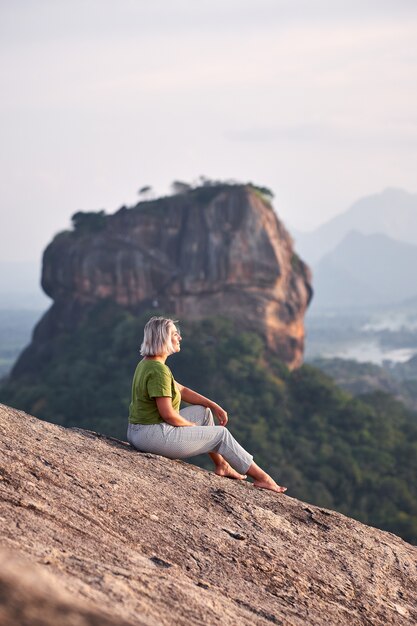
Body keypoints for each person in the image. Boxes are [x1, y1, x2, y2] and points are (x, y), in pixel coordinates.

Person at [127, 316, 287, 493]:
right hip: (151, 435)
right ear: (163, 338)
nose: (179, 337)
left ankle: (222, 466)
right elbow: (168, 415)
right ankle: (263, 478)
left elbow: (181, 390)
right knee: (220, 434)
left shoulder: (149, 363)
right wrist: (191, 427)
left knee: (204, 413)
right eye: (175, 333)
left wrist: (213, 405)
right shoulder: (158, 371)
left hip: (139, 431)